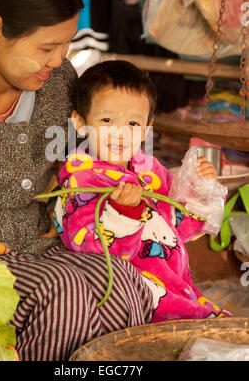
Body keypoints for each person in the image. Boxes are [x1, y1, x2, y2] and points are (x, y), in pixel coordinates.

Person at [0, 0, 154, 360]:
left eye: (65, 45)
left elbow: (86, 160)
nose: (60, 60)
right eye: (46, 48)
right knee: (63, 292)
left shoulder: (58, 82)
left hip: (40, 246)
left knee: (125, 286)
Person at [54, 60, 230, 322]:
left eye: (133, 124)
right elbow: (87, 247)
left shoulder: (150, 169)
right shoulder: (81, 179)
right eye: (107, 119)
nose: (120, 133)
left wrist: (200, 189)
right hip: (137, 297)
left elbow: (178, 228)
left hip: (177, 284)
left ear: (148, 128)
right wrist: (124, 213)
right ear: (80, 122)